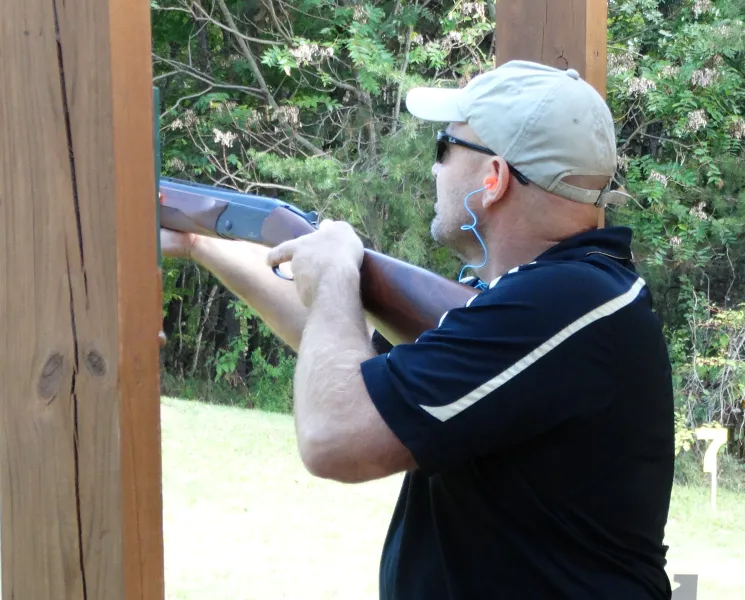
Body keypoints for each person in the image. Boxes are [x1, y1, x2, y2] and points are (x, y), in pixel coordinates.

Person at [160, 60, 677, 598]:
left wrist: (336, 276)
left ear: (494, 179)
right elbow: (343, 354)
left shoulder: (565, 302)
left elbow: (332, 437)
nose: (435, 167)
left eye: (445, 147)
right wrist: (201, 242)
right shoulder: (558, 299)